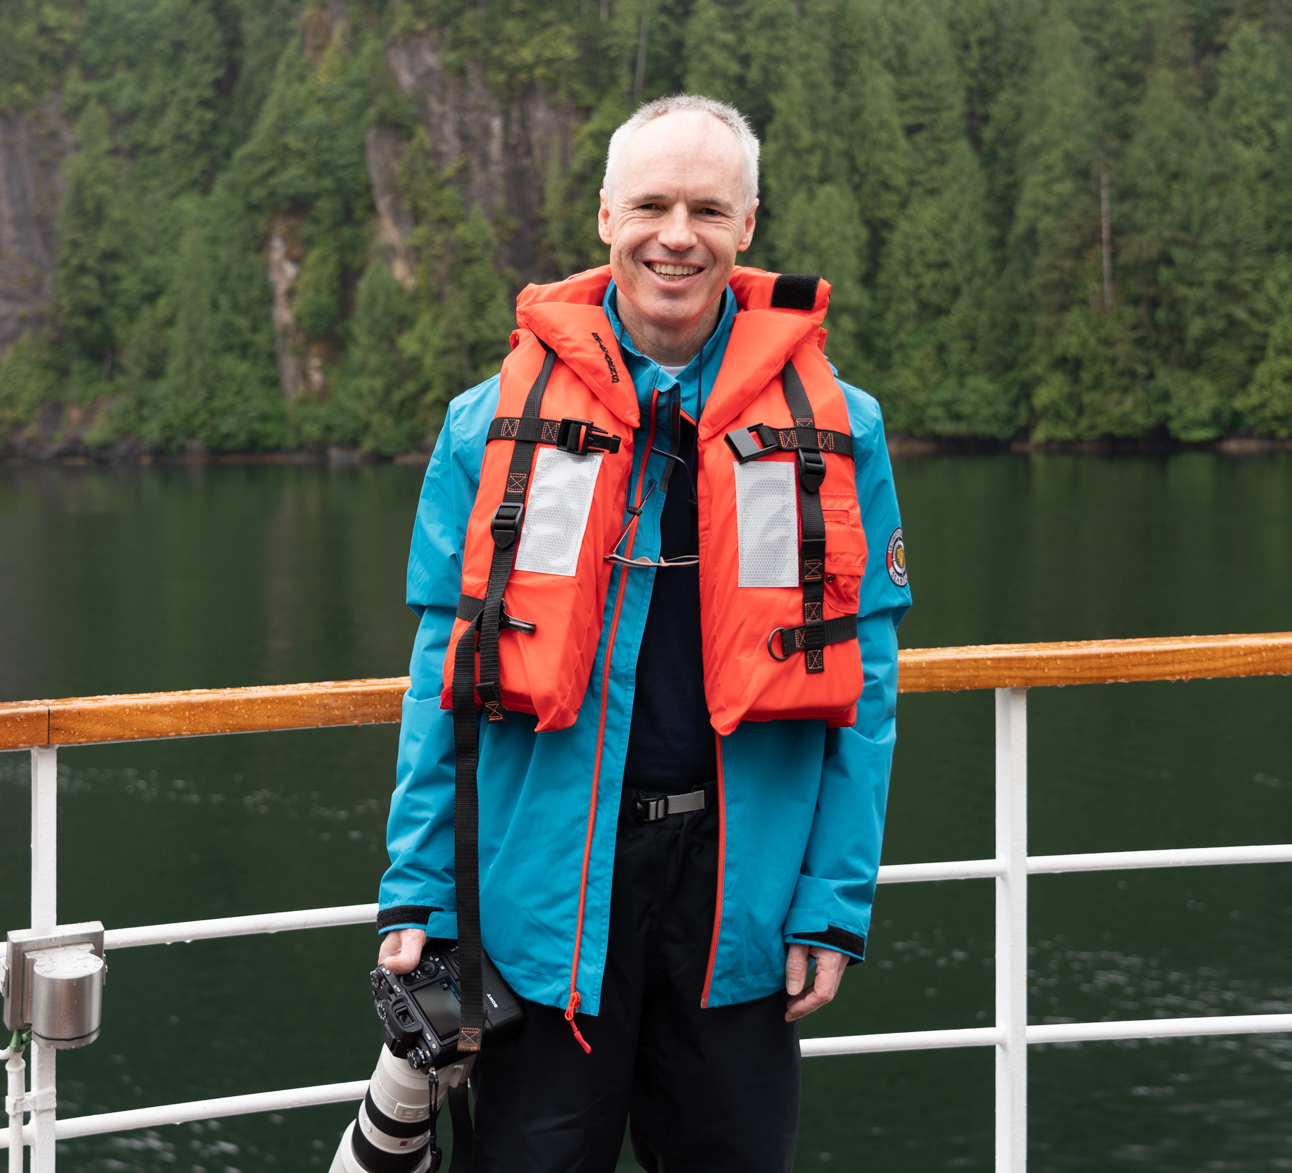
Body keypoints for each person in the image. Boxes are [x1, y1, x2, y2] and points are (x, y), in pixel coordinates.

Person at [375, 95, 912, 1171]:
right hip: (543, 900)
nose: (678, 236)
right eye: (653, 205)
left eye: (708, 210)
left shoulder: (840, 427)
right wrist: (420, 888)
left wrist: (832, 903)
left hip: (742, 905)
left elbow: (866, 694)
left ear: (747, 224)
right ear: (606, 216)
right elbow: (443, 679)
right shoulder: (486, 423)